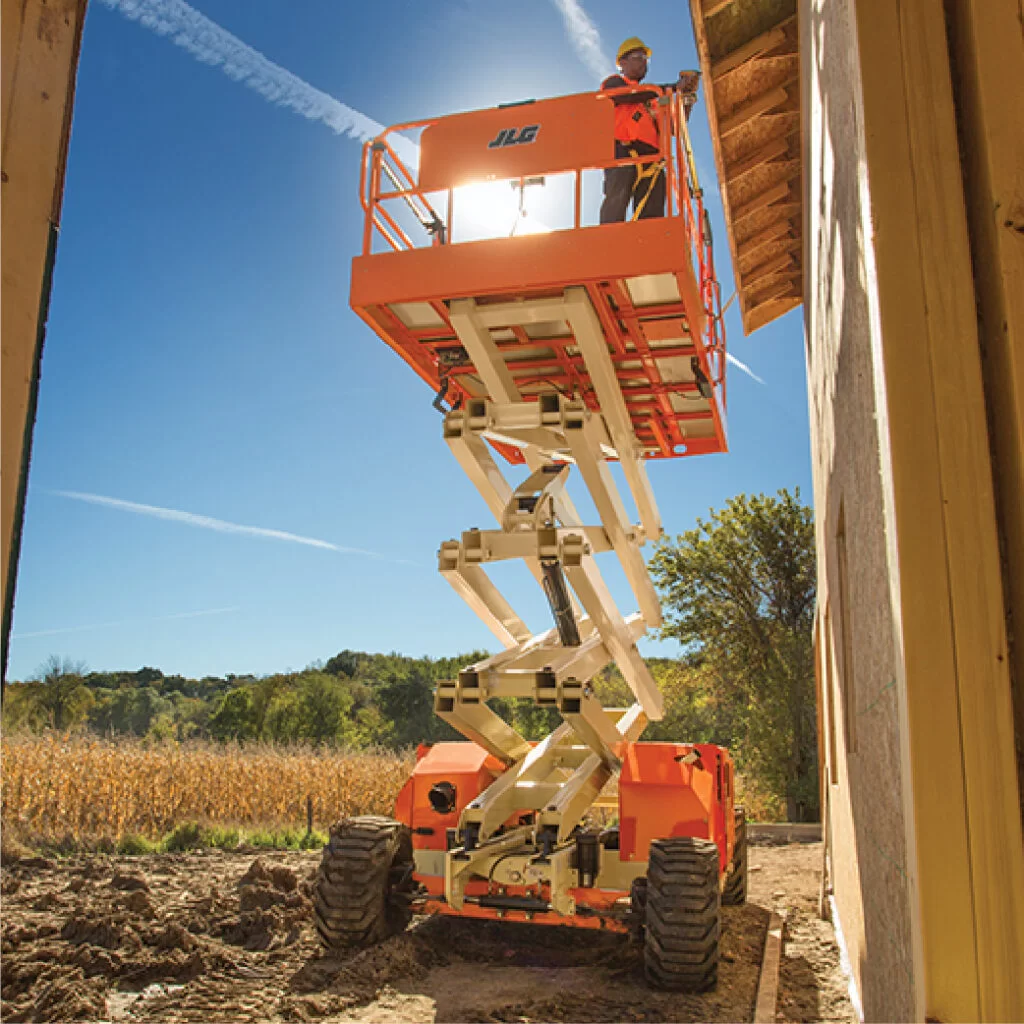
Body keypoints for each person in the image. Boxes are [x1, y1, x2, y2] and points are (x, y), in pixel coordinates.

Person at [599, 36, 700, 224]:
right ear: (623, 62)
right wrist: (673, 88)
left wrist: (686, 98)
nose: (644, 62)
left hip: (652, 159)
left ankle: (648, 247)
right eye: (639, 56)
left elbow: (673, 127)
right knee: (615, 203)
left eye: (646, 59)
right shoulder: (613, 84)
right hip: (623, 153)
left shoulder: (653, 98)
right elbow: (626, 97)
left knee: (652, 215)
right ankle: (608, 244)